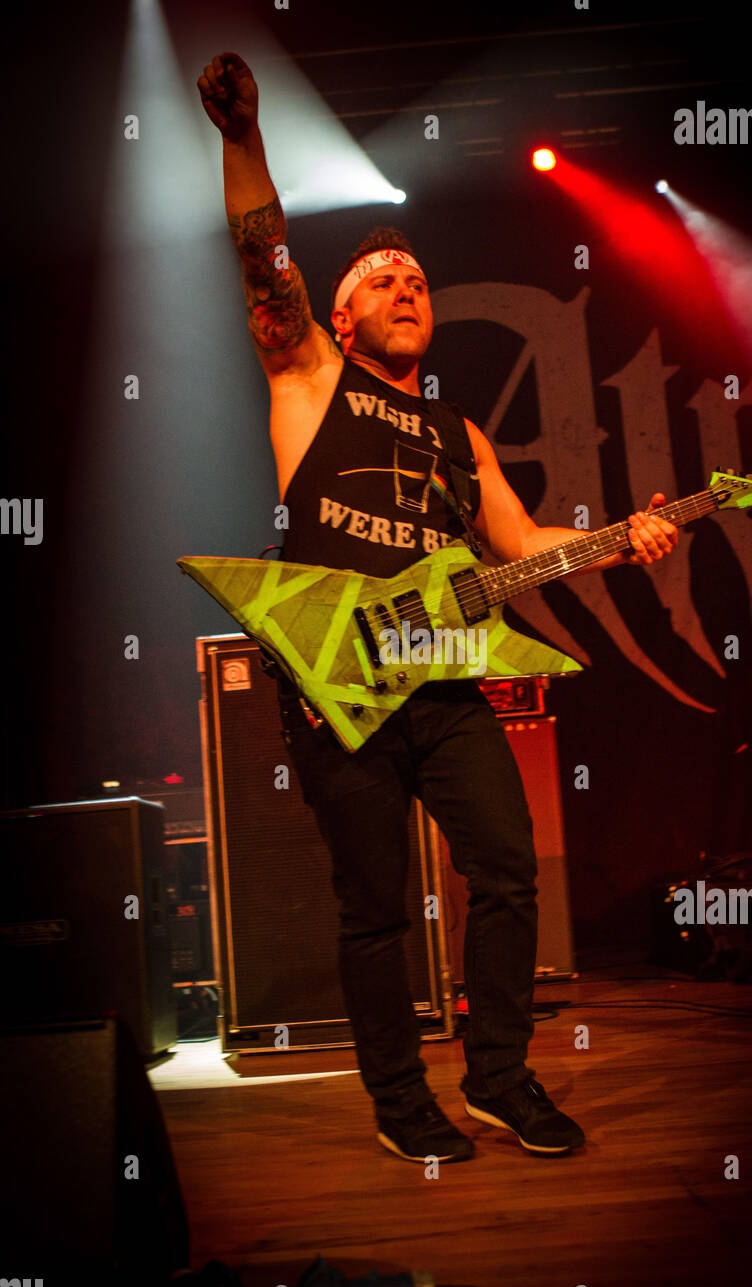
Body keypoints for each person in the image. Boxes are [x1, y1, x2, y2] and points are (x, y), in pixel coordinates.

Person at [198, 51, 679, 1163]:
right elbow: (261, 258)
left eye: (418, 280)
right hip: (341, 689)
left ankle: (499, 1079)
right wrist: (240, 140)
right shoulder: (307, 376)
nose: (407, 288)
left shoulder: (456, 438)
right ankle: (395, 1098)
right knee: (373, 909)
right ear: (341, 312)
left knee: (505, 871)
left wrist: (628, 535)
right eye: (381, 278)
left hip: (445, 681)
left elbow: (521, 547)